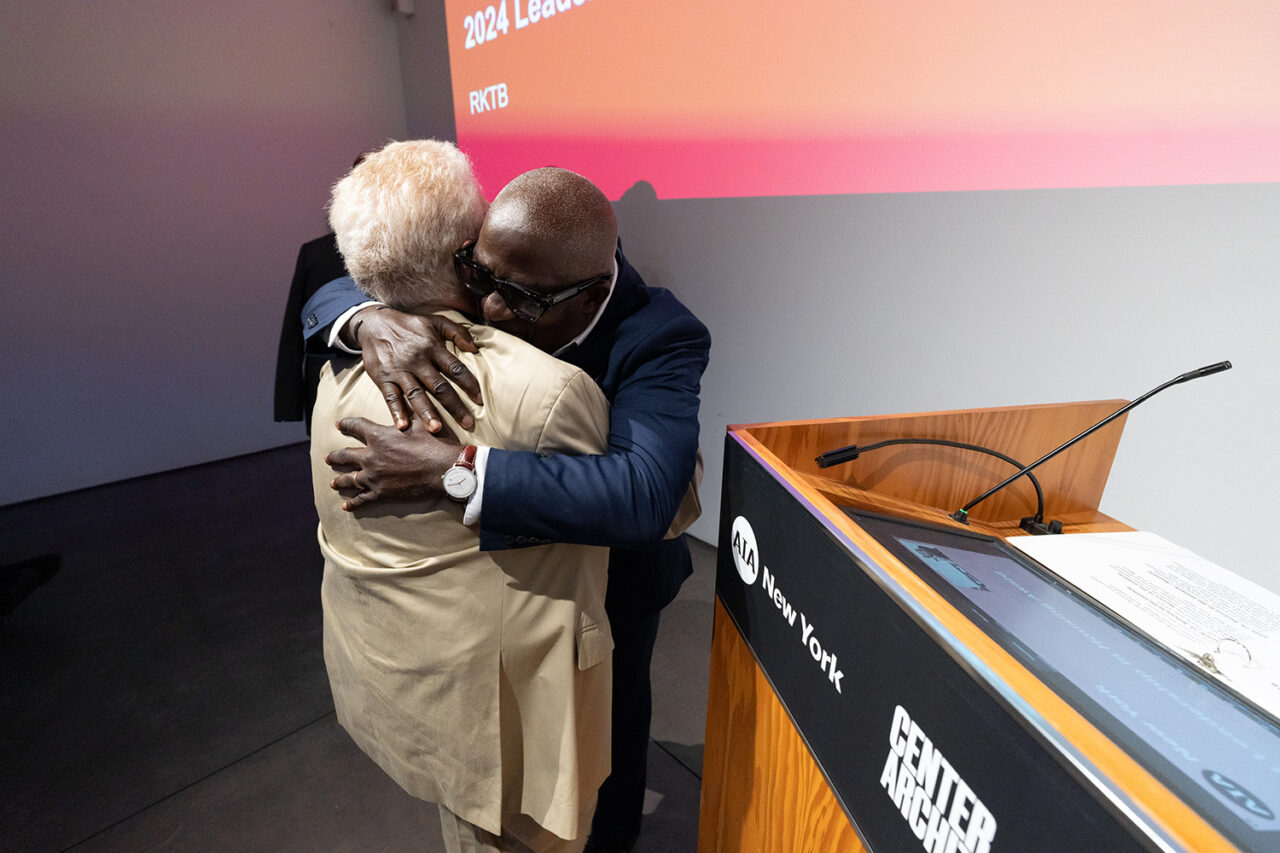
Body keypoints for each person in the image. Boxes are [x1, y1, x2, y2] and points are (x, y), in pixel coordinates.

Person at [305, 167, 711, 853]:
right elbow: (344, 280)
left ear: (587, 297)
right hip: (516, 592)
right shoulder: (510, 255)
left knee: (613, 731)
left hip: (619, 584)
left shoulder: (658, 335)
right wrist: (367, 315)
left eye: (521, 300)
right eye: (479, 275)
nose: (487, 308)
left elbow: (645, 494)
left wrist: (457, 471)